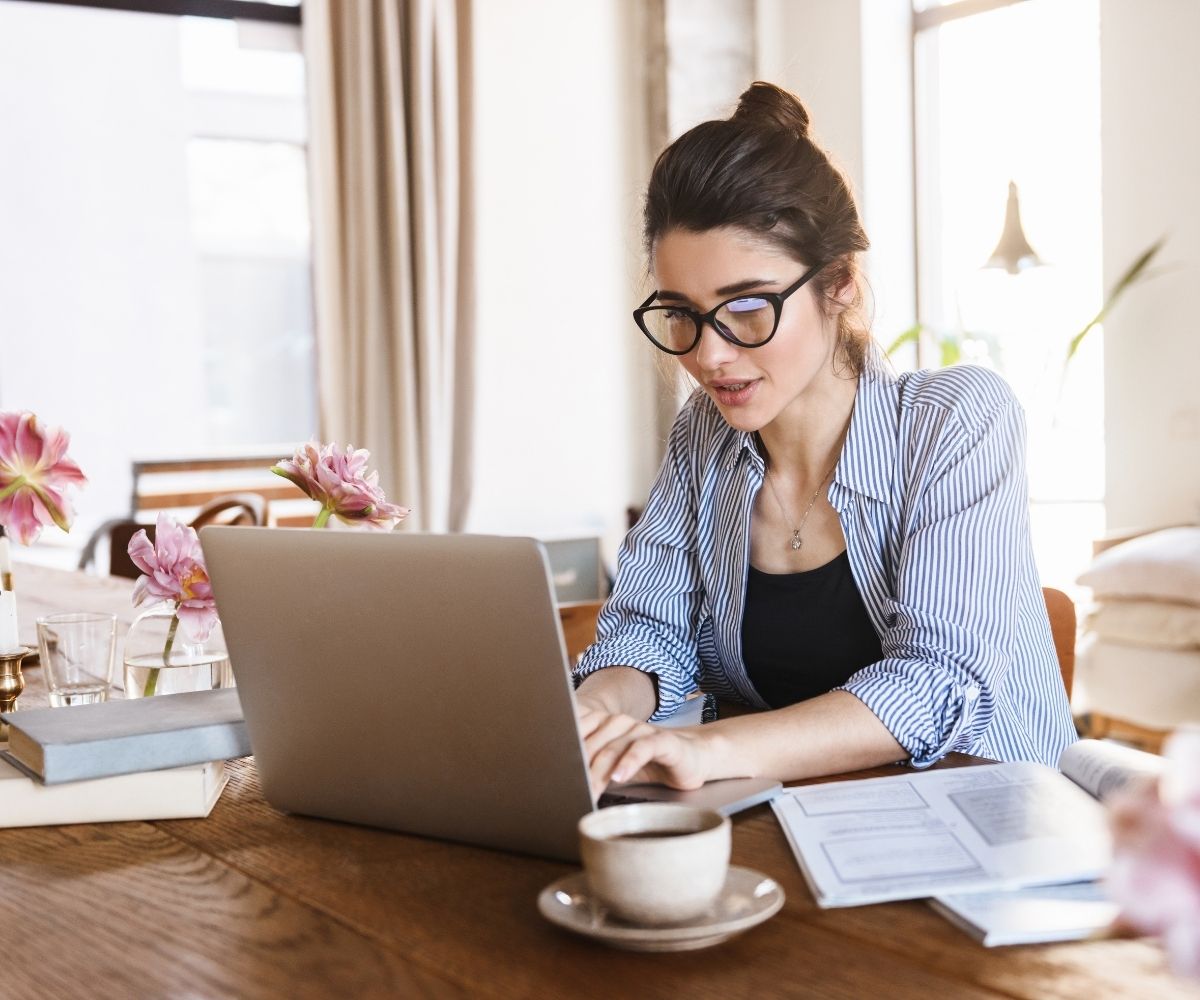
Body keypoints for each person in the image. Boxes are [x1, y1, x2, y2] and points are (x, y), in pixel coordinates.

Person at [573, 81, 1077, 793]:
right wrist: (592, 711)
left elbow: (936, 682)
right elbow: (648, 630)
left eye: (746, 308)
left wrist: (711, 751)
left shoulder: (957, 421)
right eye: (681, 312)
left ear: (838, 283)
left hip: (988, 831)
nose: (708, 356)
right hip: (802, 830)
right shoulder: (703, 438)